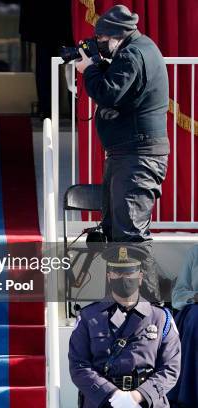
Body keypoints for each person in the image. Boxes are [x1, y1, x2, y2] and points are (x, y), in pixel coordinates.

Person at [75, 5, 169, 302]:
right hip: (127, 155)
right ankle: (120, 305)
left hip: (138, 157)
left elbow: (109, 93)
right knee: (116, 234)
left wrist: (89, 68)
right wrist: (100, 64)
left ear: (117, 35)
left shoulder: (132, 54)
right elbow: (124, 91)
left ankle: (154, 310)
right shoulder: (137, 49)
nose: (98, 42)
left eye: (101, 37)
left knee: (130, 236)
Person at [69, 245, 181, 408]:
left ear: (140, 276)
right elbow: (79, 366)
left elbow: (171, 367)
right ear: (109, 276)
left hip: (147, 402)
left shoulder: (161, 318)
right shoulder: (88, 317)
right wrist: (113, 395)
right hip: (103, 401)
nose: (124, 278)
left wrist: (137, 396)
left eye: (129, 272)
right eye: (117, 272)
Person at [168, 245, 198, 407]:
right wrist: (195, 296)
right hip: (197, 311)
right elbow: (177, 296)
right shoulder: (195, 253)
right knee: (194, 317)